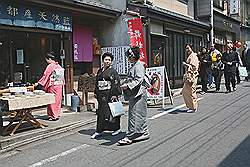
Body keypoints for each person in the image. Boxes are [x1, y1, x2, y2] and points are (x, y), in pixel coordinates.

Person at [118, 46, 149, 145]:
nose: (128, 59)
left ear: (133, 56)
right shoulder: (136, 65)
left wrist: (127, 85)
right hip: (137, 93)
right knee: (140, 114)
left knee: (135, 115)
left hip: (138, 93)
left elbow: (138, 79)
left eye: (129, 56)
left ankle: (131, 135)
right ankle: (144, 132)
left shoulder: (138, 65)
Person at [91, 52, 122, 139]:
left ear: (111, 62)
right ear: (103, 60)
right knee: (101, 113)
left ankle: (116, 128)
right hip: (101, 95)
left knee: (112, 112)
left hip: (110, 95)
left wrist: (115, 94)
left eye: (109, 60)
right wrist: (95, 92)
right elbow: (97, 82)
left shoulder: (113, 71)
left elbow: (116, 83)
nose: (107, 61)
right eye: (106, 59)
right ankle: (99, 130)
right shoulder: (100, 70)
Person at [35, 51, 64, 121]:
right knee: (58, 100)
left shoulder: (50, 66)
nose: (47, 61)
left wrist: (39, 83)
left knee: (52, 100)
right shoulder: (58, 65)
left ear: (49, 59)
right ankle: (56, 114)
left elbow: (46, 75)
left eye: (47, 60)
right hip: (59, 85)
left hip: (53, 85)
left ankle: (53, 115)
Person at [181, 44, 199, 113]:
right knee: (187, 91)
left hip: (192, 76)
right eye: (186, 48)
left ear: (191, 48)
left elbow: (194, 67)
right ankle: (191, 106)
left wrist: (185, 64)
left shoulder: (193, 56)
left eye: (188, 48)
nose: (187, 50)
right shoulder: (191, 55)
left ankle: (193, 107)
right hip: (190, 76)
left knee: (190, 91)